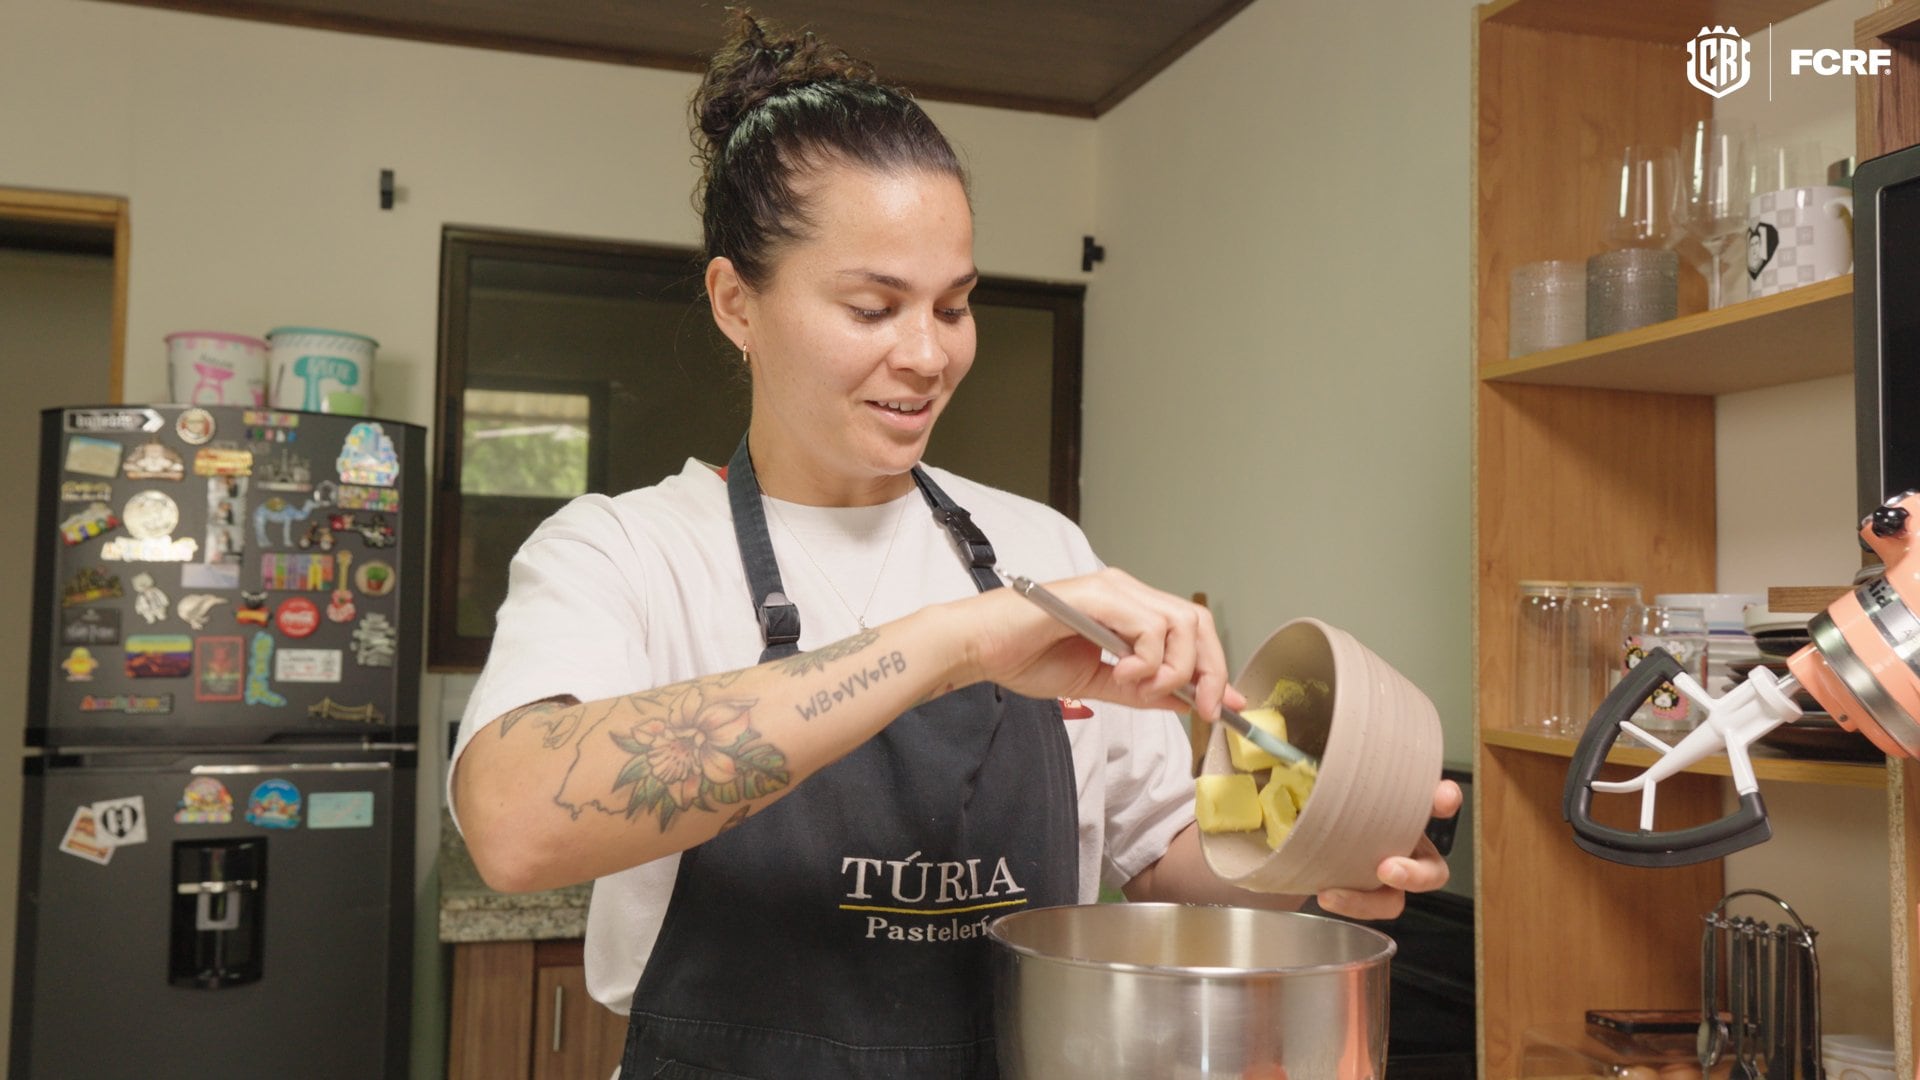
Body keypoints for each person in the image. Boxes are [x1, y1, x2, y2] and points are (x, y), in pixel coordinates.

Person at [451, 12, 1461, 1078]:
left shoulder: (1036, 543)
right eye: (874, 306)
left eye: (954, 305)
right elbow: (514, 823)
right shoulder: (628, 551)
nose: (929, 354)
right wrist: (955, 646)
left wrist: (1312, 830)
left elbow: (1163, 858)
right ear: (736, 302)